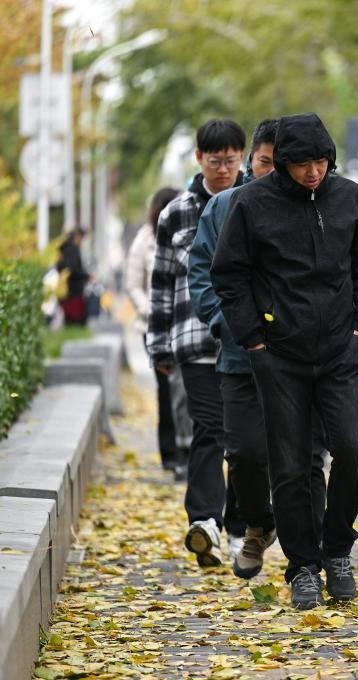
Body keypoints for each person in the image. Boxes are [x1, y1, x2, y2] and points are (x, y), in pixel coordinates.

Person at [211, 112, 358, 610]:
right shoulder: (251, 203)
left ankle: (336, 551)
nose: (313, 172)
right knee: (288, 467)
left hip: (339, 351)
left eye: (321, 161)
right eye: (303, 163)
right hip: (278, 355)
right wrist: (254, 341)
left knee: (355, 449)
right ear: (283, 163)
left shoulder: (351, 198)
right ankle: (303, 567)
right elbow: (230, 274)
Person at [189, 119, 329, 580]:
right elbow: (205, 275)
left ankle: (309, 553)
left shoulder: (317, 206)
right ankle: (258, 522)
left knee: (305, 458)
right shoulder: (228, 206)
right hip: (240, 356)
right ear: (252, 161)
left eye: (281, 163)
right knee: (246, 452)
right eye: (265, 161)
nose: (273, 171)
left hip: (301, 359)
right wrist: (231, 325)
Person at [146, 119, 247, 568]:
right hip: (195, 341)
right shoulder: (177, 213)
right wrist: (159, 345)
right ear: (199, 159)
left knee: (245, 438)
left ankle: (243, 525)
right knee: (208, 429)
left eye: (230, 159)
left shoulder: (255, 204)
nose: (223, 168)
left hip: (248, 343)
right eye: (214, 159)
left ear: (241, 157)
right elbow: (162, 282)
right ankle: (205, 520)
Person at [124, 187, 192, 479]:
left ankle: (190, 450)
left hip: (184, 323)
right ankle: (171, 453)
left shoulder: (187, 233)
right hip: (153, 324)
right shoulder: (144, 240)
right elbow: (133, 284)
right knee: (166, 391)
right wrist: (150, 309)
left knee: (187, 390)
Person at [55, 228, 91, 325]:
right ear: (77, 237)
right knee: (75, 319)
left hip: (66, 289)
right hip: (73, 290)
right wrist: (86, 276)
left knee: (69, 318)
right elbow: (73, 269)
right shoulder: (72, 251)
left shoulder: (64, 249)